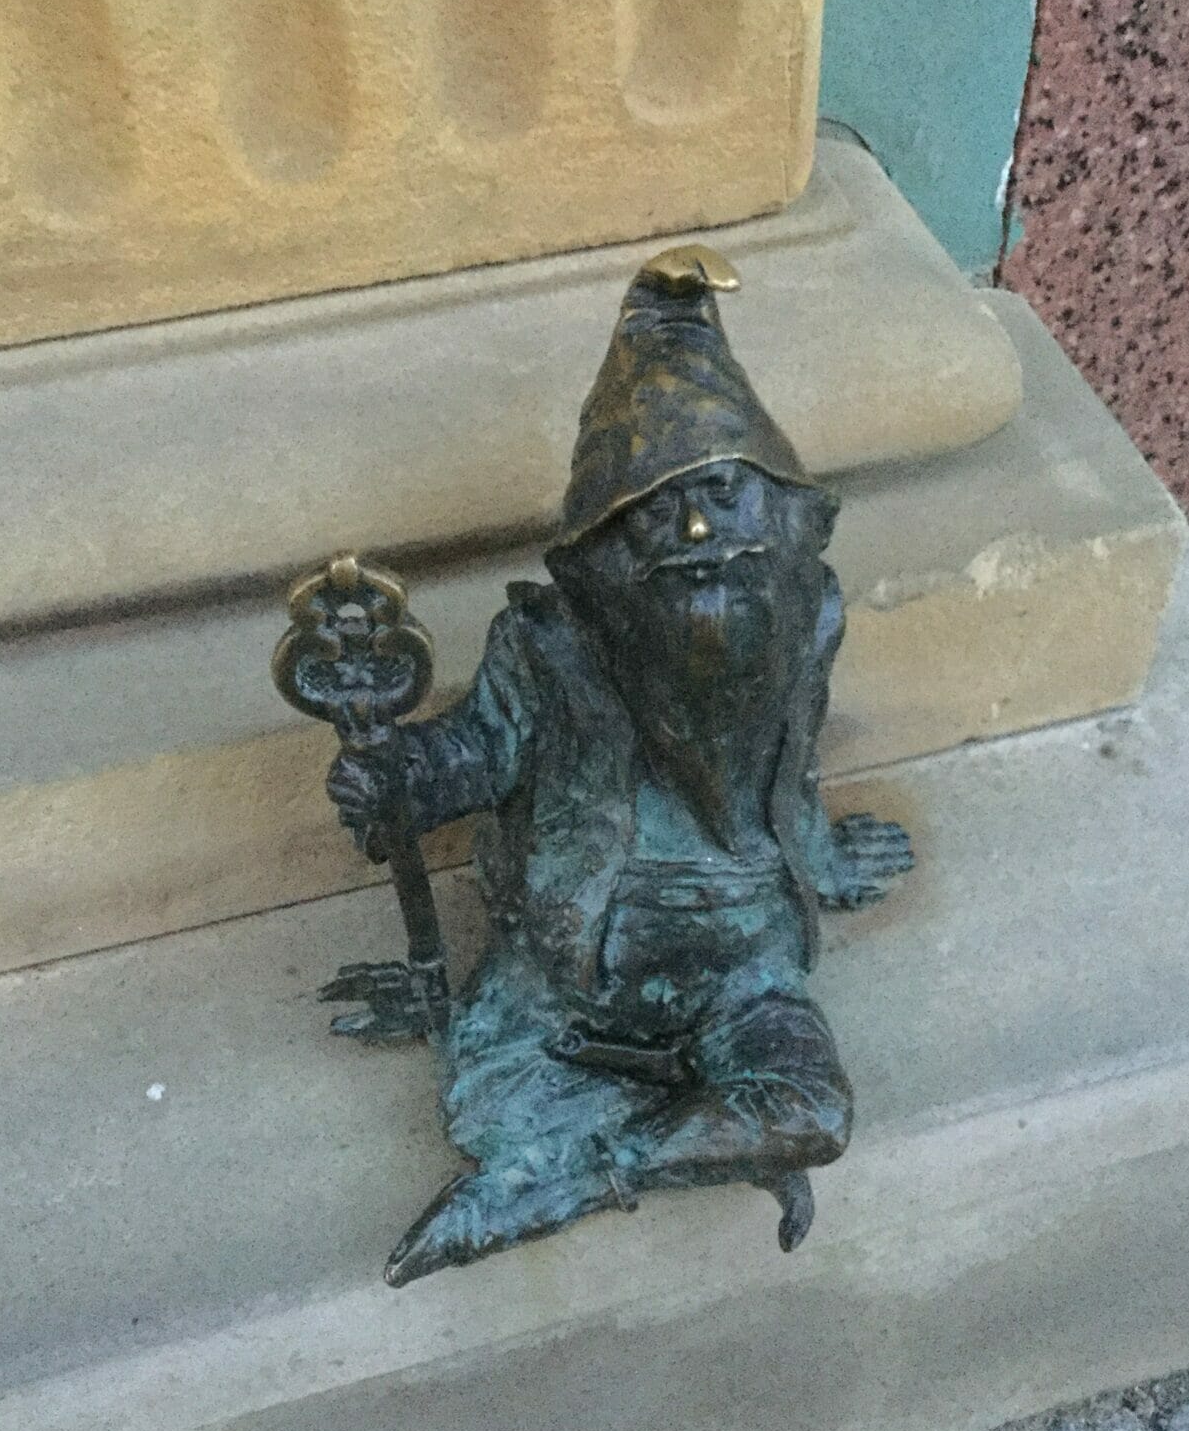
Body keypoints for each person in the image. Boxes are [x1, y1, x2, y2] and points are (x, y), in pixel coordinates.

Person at [327, 245, 912, 1286]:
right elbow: (476, 750)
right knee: (495, 1099)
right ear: (600, 558)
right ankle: (688, 1132)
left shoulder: (804, 620)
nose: (699, 530)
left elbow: (792, 766)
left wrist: (820, 859)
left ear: (785, 516)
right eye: (654, 510)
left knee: (814, 1109)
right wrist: (397, 774)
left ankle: (581, 1175)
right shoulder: (550, 649)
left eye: (722, 491)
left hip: (745, 962)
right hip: (571, 963)